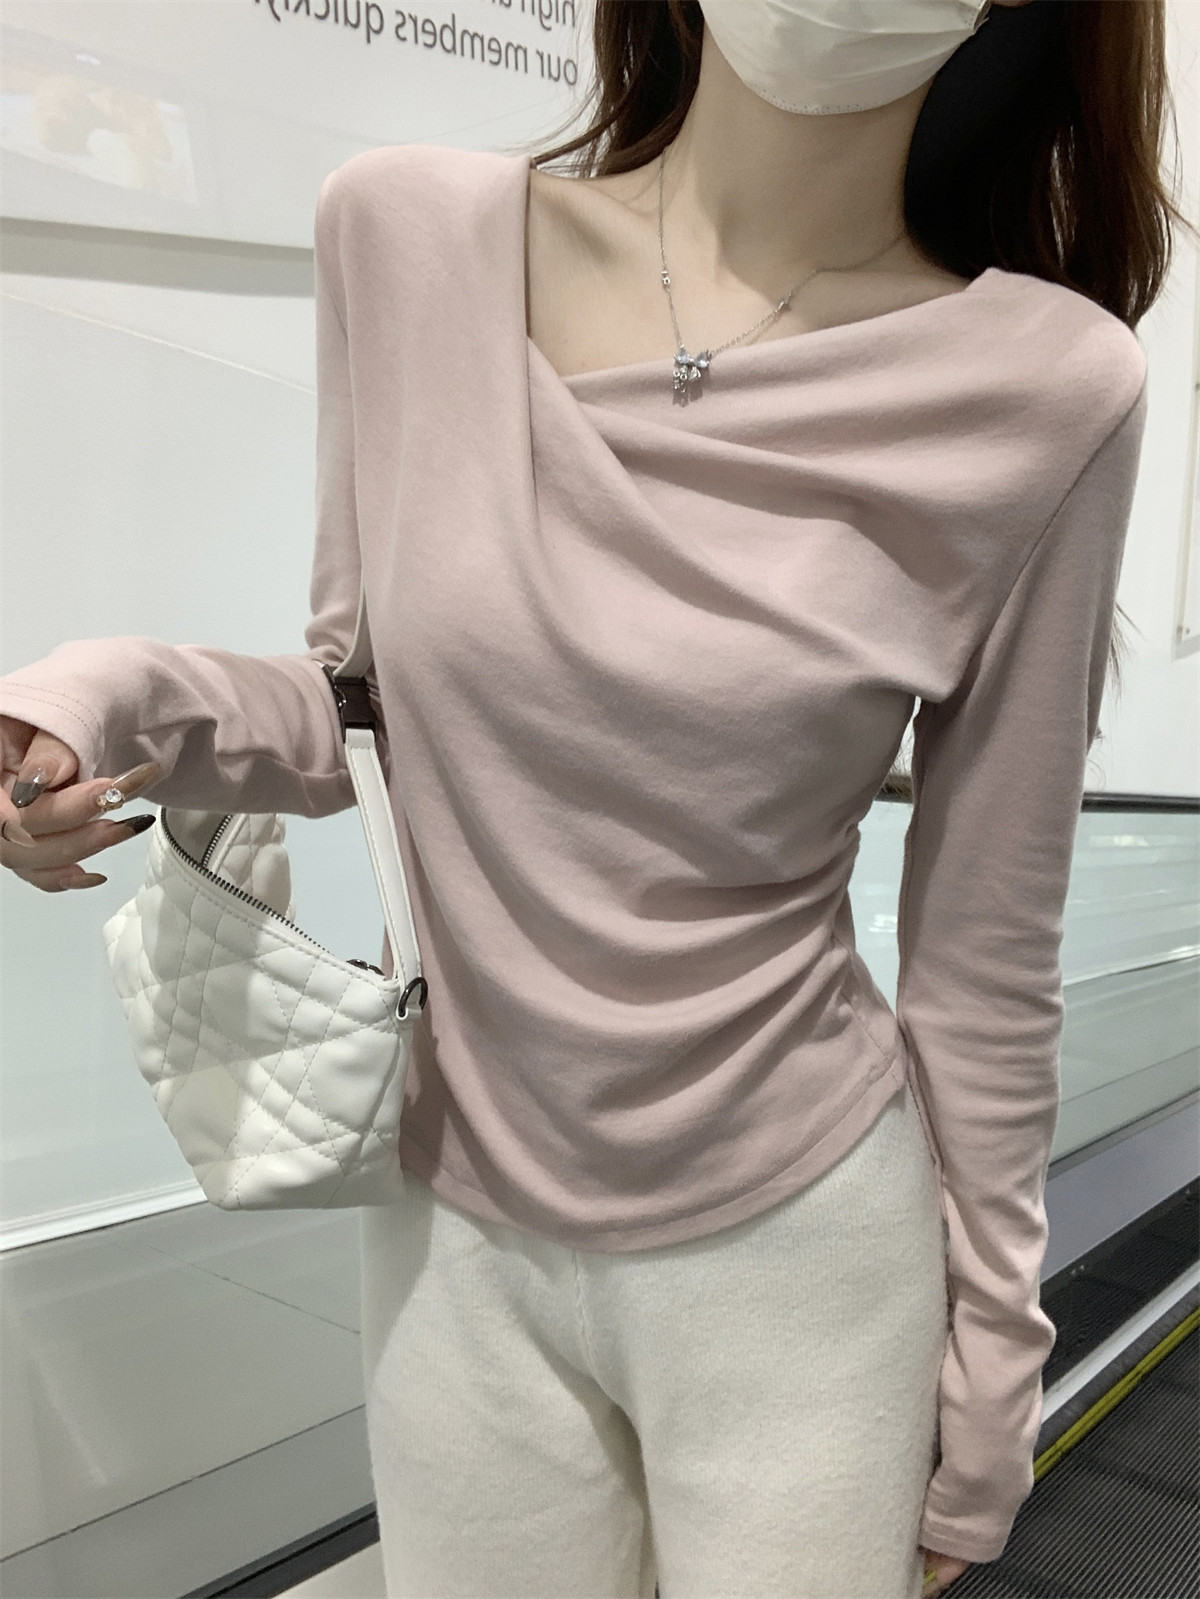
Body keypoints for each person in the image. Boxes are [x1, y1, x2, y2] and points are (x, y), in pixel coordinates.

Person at [0, 2, 1192, 1595]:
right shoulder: (407, 235)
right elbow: (367, 714)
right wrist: (105, 693)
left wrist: (987, 1391)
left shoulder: (1047, 389)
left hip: (800, 1247)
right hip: (455, 1229)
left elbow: (986, 952)